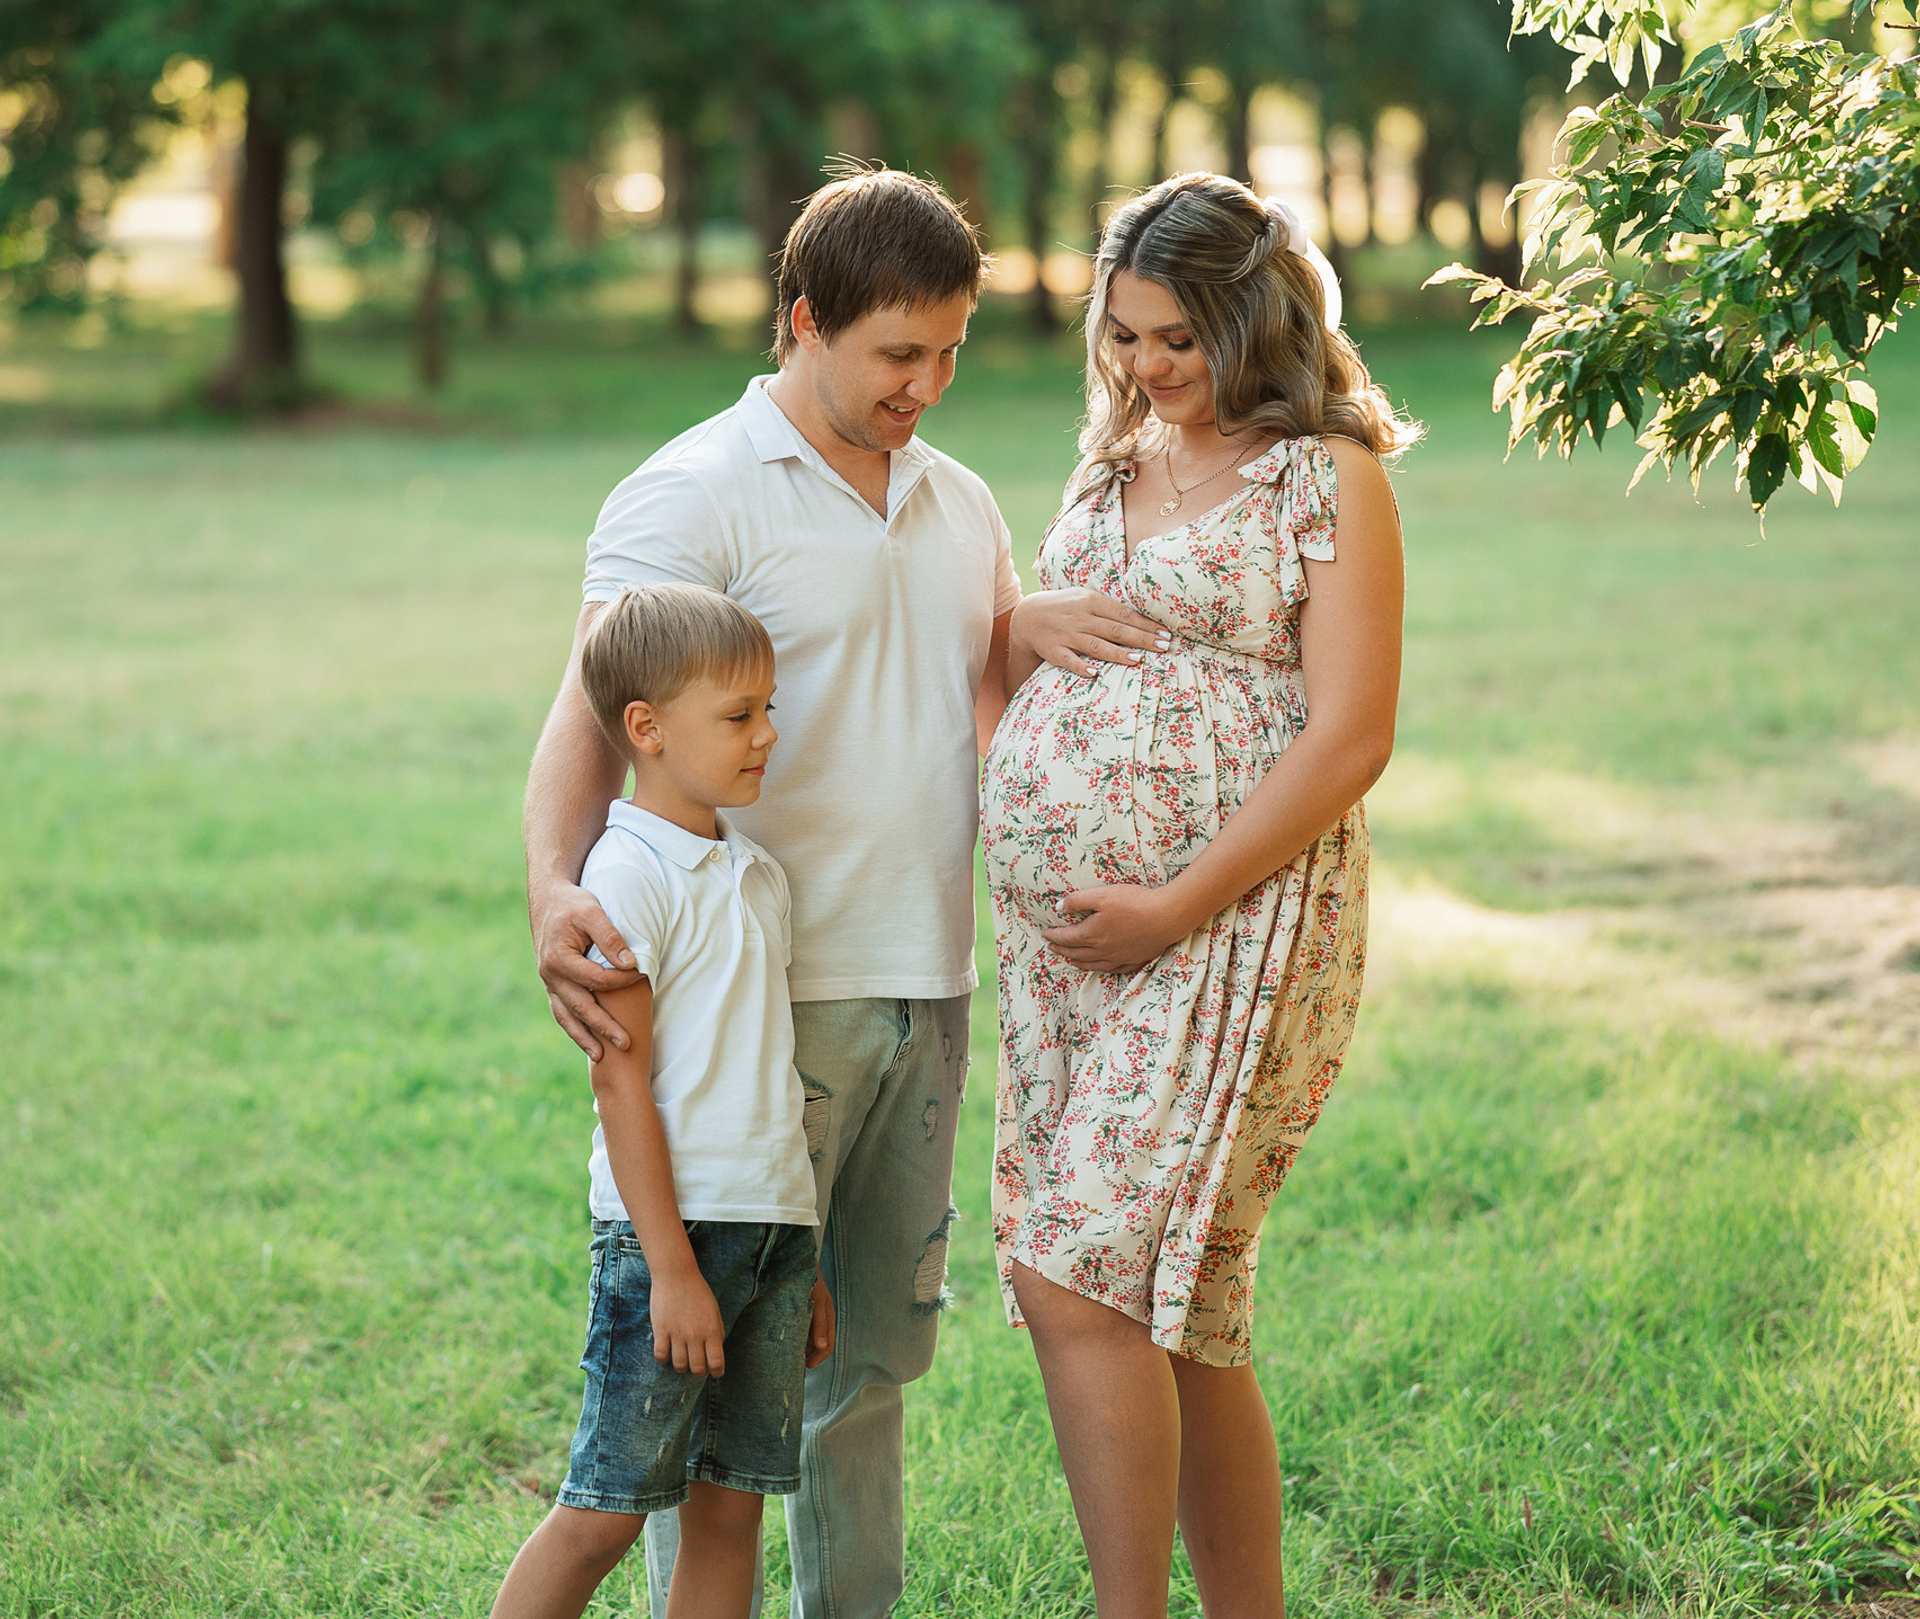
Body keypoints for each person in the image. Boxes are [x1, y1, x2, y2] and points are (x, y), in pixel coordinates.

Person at [522, 166, 1154, 1619]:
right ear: (805, 320)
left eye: (950, 353)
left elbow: (953, 701)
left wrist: (1016, 630)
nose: (925, 385)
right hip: (754, 1011)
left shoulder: (959, 500)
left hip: (926, 985)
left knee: (869, 1363)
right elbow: (588, 715)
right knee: (726, 1393)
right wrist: (554, 888)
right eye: (895, 355)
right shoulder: (689, 493)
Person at [982, 172, 1418, 1619]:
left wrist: (1174, 902)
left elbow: (1352, 733)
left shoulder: (1327, 473)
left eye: (1176, 340)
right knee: (1186, 1312)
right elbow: (1048, 649)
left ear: (1252, 321)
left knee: (1081, 1279)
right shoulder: (1111, 462)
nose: (1147, 368)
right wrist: (1019, 621)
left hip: (1233, 924)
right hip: (1069, 958)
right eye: (1123, 337)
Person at [491, 583, 835, 1619]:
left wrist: (794, 1250)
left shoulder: (757, 874)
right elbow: (620, 1084)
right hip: (666, 1238)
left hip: (769, 1227)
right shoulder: (627, 878)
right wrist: (676, 1271)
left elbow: (764, 1070)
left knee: (732, 1511)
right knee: (609, 1507)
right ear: (646, 728)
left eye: (769, 707)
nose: (768, 734)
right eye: (739, 716)